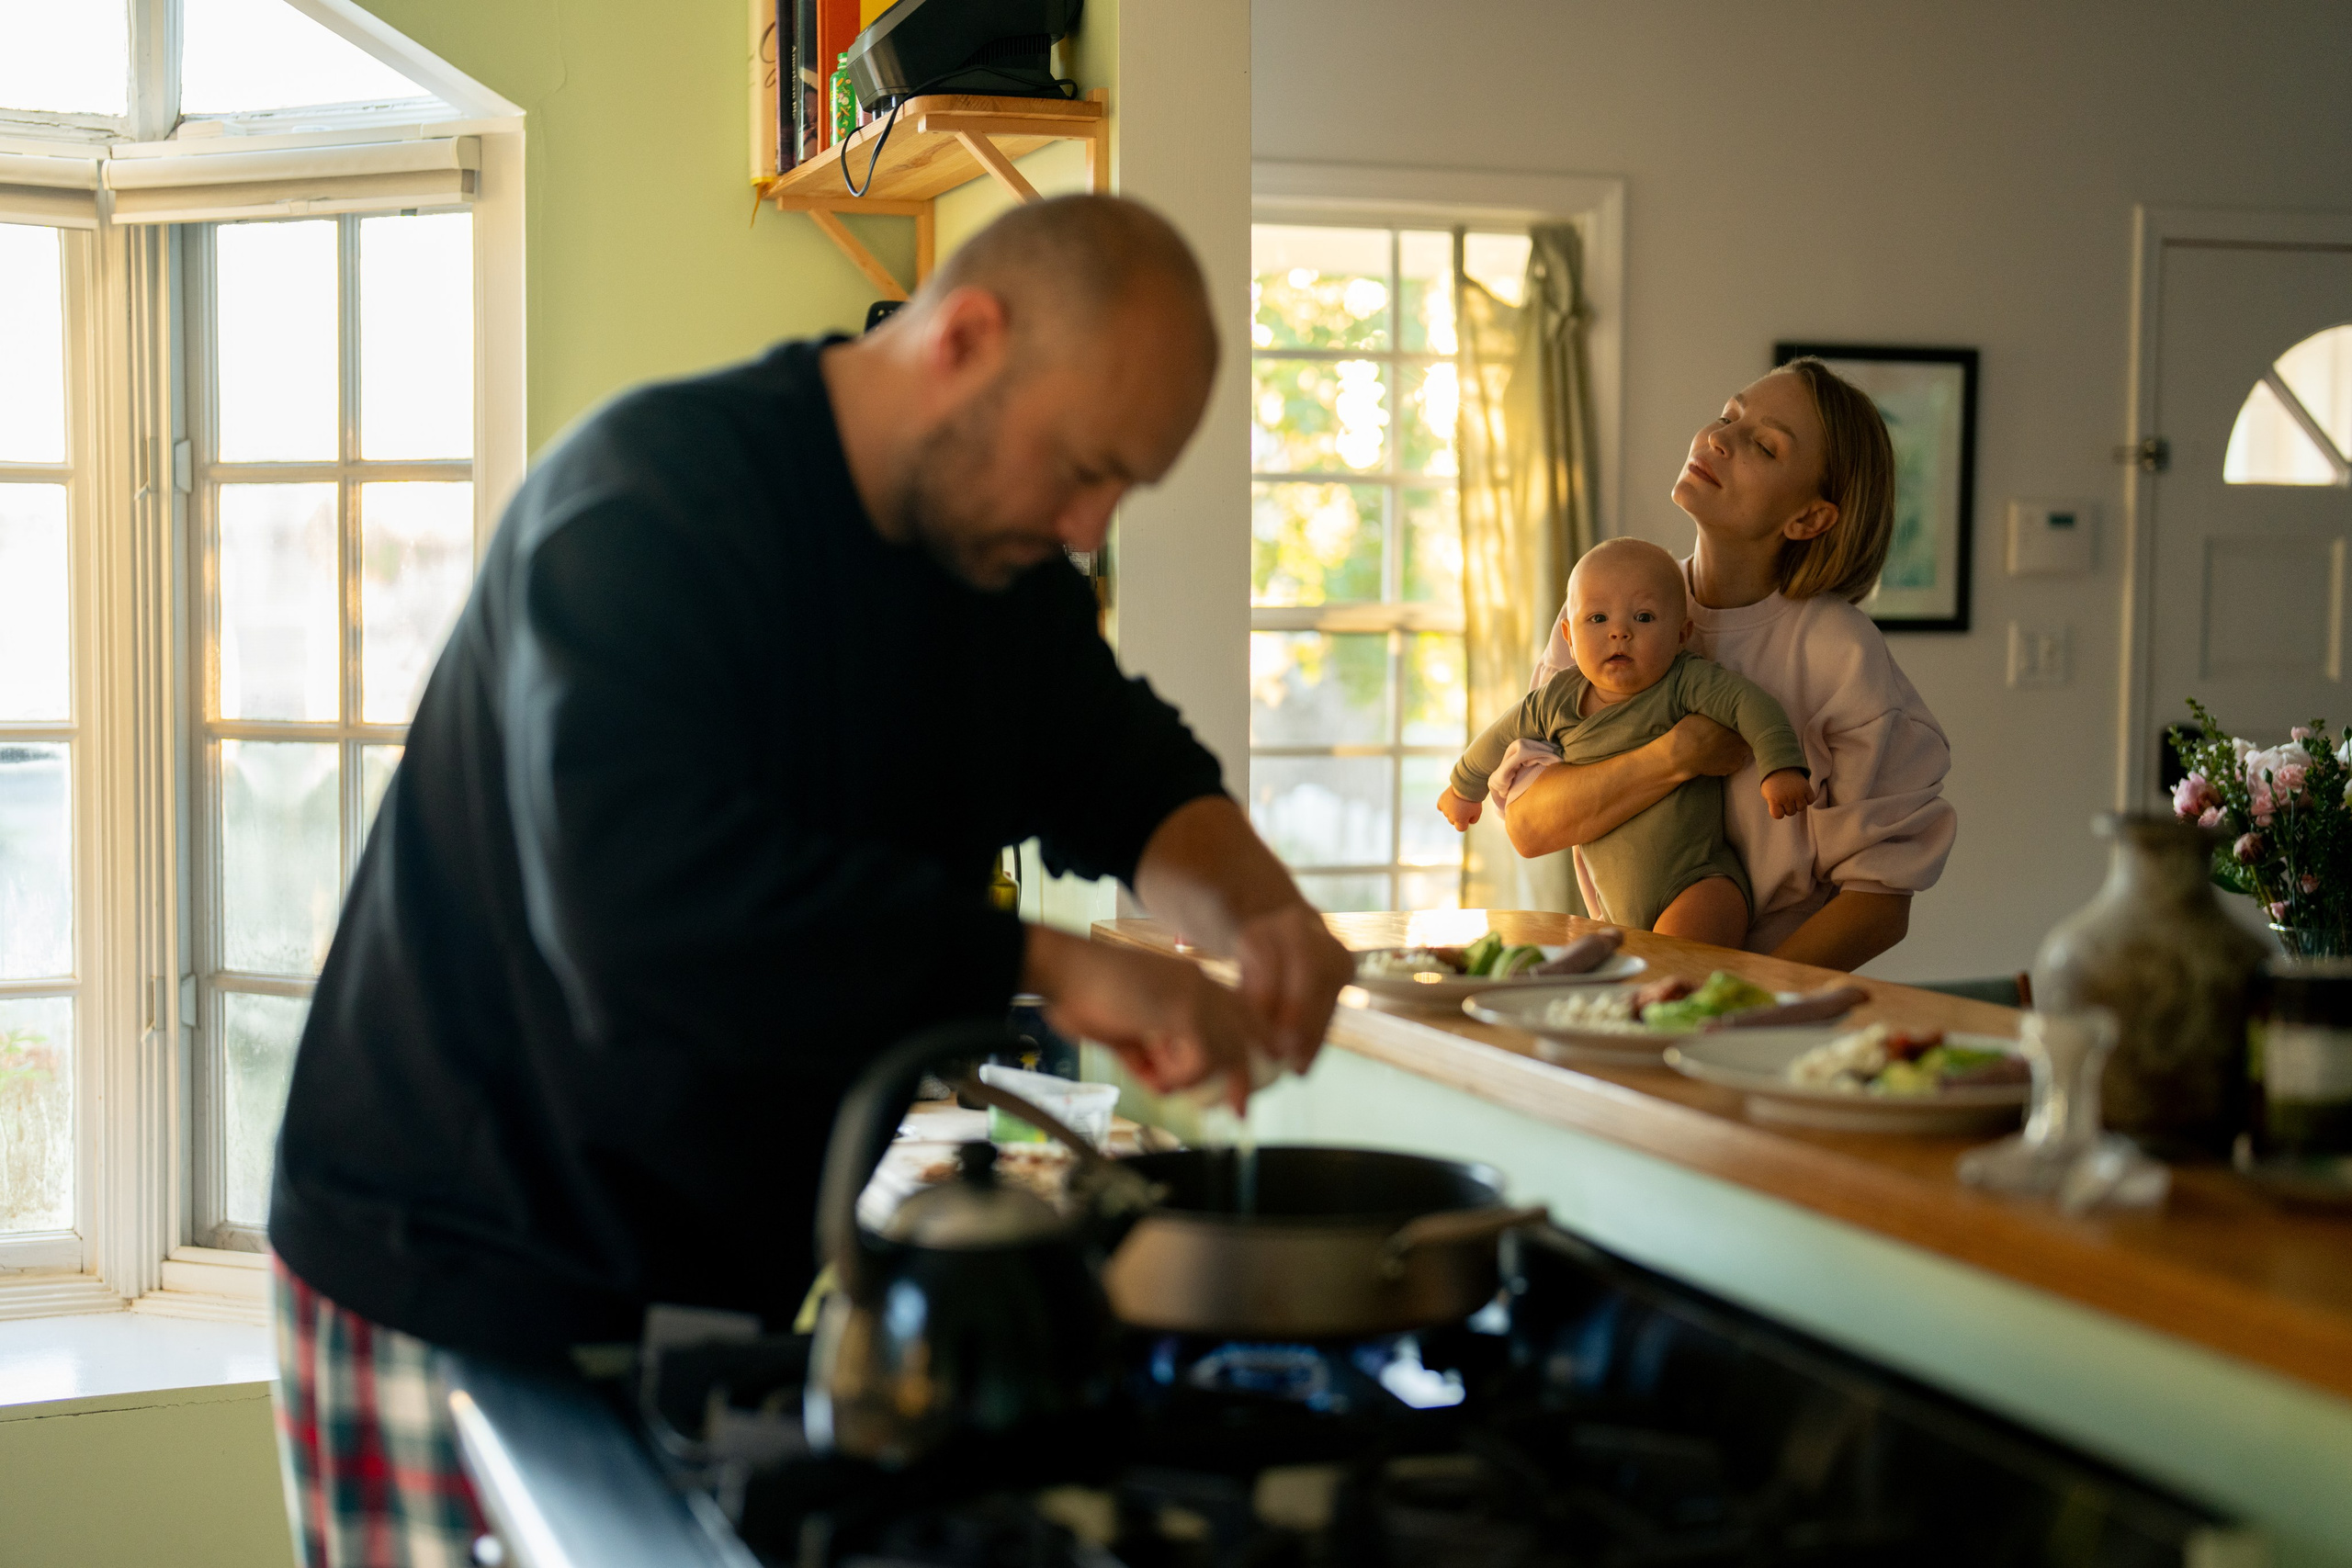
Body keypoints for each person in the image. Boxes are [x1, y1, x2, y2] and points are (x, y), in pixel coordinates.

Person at [266, 194, 1355, 1567]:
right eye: (1082, 466)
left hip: (706, 1274)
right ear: (965, 338)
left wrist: (1264, 910)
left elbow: (1130, 777)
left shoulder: (994, 571)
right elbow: (639, 911)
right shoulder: (650, 503)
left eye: (1125, 486)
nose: (1089, 519)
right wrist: (1059, 965)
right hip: (453, 1251)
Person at [1490, 359, 1956, 971]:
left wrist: (1732, 1000)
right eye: (1728, 415)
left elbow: (1879, 903)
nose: (1718, 438)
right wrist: (1674, 756)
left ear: (1809, 517)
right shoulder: (1606, 613)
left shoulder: (1840, 655)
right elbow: (1529, 824)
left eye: (1762, 445)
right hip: (1627, 982)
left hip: (1764, 1015)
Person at [1436, 538, 1811, 947]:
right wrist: (1463, 787)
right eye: (1597, 618)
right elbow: (1499, 736)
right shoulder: (1556, 698)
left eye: (1644, 617)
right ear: (1568, 635)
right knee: (1632, 989)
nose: (1619, 632)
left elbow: (1750, 704)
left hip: (1697, 882)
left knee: (1675, 976)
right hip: (1614, 907)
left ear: (1682, 634)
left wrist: (1781, 767)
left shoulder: (1683, 681)